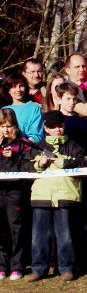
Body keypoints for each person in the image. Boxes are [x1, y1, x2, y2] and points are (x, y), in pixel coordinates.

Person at [25, 111, 87, 282]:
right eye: (52, 127)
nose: (57, 129)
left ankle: (67, 268)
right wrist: (39, 163)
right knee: (39, 236)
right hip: (41, 196)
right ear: (45, 128)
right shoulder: (36, 147)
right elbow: (25, 168)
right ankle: (38, 269)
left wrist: (65, 163)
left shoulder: (76, 146)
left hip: (66, 195)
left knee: (66, 235)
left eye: (60, 125)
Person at [0, 108, 34, 280]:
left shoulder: (22, 144)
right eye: (2, 126)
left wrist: (13, 157)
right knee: (1, 230)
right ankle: (1, 265)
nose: (6, 130)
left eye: (9, 126)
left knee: (16, 229)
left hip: (15, 192)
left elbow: (28, 166)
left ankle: (17, 266)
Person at [2, 73, 43, 142]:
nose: (18, 90)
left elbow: (37, 135)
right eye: (14, 87)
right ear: (8, 90)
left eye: (21, 86)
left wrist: (22, 147)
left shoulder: (34, 108)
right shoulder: (3, 110)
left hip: (26, 149)